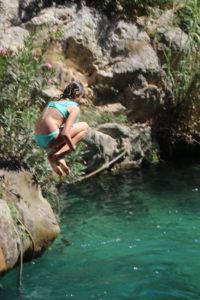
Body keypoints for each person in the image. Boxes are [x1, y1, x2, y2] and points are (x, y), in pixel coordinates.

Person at [34, 81, 89, 176]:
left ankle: (54, 156)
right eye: (80, 97)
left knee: (64, 129)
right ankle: (59, 155)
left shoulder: (53, 102)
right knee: (84, 126)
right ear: (77, 95)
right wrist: (71, 148)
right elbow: (65, 134)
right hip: (49, 138)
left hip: (38, 138)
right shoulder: (73, 107)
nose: (80, 100)